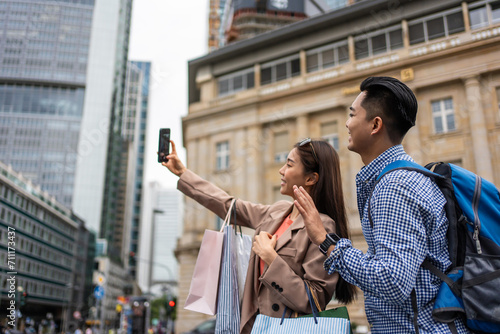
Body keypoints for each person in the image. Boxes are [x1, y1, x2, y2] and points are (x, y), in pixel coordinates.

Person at [294, 76, 470, 333]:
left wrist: (326, 240)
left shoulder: (394, 187)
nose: (346, 123)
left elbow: (391, 281)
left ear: (375, 124)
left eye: (352, 114)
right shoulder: (403, 177)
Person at [163, 139, 356, 333]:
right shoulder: (277, 212)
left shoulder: (322, 228)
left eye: (289, 164)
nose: (281, 170)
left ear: (310, 179)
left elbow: (314, 300)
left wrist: (271, 258)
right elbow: (228, 205)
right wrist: (183, 173)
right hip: (252, 326)